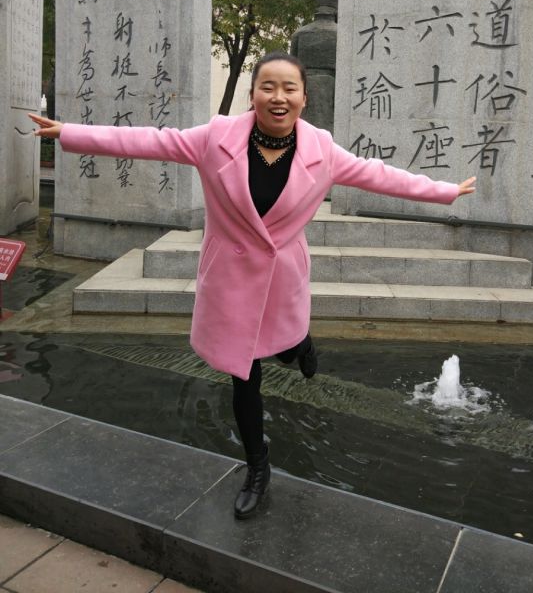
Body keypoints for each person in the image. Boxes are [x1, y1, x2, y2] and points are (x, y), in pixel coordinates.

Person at [29, 51, 476, 520]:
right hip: (231, 280)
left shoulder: (322, 150)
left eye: (289, 88)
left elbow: (378, 175)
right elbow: (151, 141)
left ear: (304, 97)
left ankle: (301, 344)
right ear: (253, 94)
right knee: (244, 375)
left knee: (284, 348)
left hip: (283, 278)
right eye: (268, 86)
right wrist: (69, 133)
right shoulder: (216, 138)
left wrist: (444, 190)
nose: (278, 97)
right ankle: (257, 467)